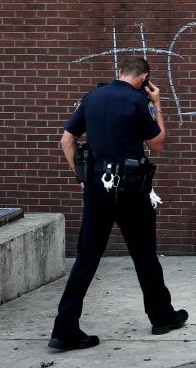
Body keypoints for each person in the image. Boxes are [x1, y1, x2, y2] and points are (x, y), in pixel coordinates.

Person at [49, 56, 187, 350]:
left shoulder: (92, 98)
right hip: (131, 190)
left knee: (86, 258)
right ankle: (162, 317)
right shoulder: (140, 103)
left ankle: (65, 328)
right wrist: (158, 103)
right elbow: (158, 143)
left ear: (119, 72)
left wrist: (81, 174)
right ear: (145, 78)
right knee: (144, 254)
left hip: (97, 188)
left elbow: (66, 139)